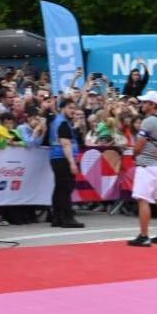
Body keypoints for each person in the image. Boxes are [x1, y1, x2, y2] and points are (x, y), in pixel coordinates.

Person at [126, 90, 157, 246]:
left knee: (143, 199)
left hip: (146, 166)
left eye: (145, 102)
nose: (142, 104)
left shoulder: (148, 121)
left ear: (153, 105)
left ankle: (144, 236)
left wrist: (134, 154)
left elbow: (139, 144)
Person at [47, 96, 85, 229]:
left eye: (74, 108)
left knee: (59, 188)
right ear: (62, 108)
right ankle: (67, 218)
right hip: (62, 158)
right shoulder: (62, 122)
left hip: (57, 158)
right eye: (70, 108)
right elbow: (65, 144)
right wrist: (72, 163)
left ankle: (57, 217)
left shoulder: (61, 122)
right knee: (66, 188)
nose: (73, 110)